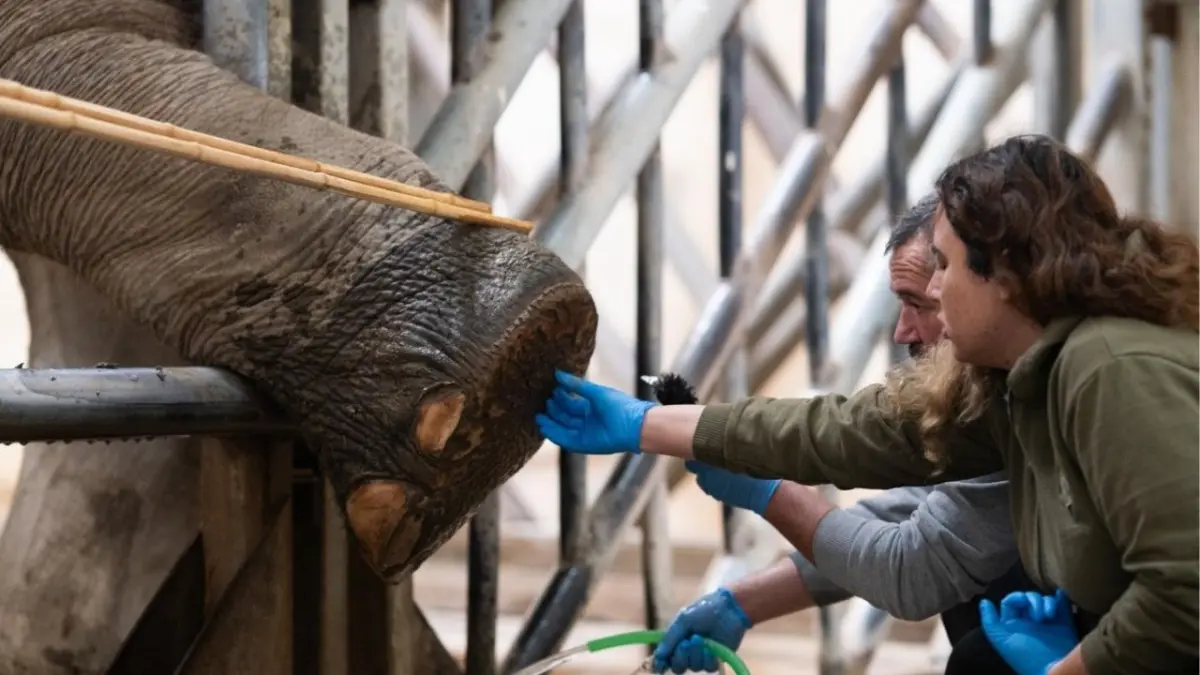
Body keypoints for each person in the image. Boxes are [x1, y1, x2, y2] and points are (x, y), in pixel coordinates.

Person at [537, 135, 1199, 675]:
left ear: (1003, 271)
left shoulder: (1108, 368)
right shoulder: (1022, 379)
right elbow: (851, 433)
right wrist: (647, 425)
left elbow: (1188, 589)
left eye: (941, 270)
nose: (932, 299)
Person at [649, 195, 1038, 675]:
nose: (902, 331)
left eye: (920, 303)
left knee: (985, 653)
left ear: (995, 291)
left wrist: (769, 492)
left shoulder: (1044, 391)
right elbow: (921, 510)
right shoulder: (993, 395)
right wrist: (741, 601)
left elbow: (913, 566)